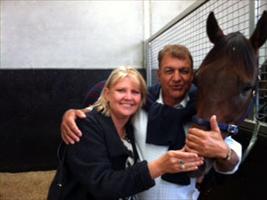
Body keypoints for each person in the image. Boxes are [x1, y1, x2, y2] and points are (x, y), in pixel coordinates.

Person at [60, 44, 242, 200]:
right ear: (159, 74)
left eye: (184, 71)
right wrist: (77, 113)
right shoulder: (142, 105)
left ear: (192, 75)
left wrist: (225, 152)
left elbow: (231, 157)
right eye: (169, 71)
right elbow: (114, 108)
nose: (177, 78)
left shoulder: (203, 112)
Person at [49, 66, 203, 200]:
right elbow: (102, 185)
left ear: (142, 99)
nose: (128, 97)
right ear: (107, 94)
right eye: (121, 90)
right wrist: (159, 167)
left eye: (135, 92)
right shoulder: (86, 126)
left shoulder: (131, 123)